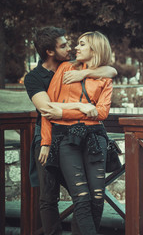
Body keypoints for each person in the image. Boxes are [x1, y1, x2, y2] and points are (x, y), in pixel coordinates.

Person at [24, 26, 117, 235]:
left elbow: (109, 76)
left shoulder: (75, 67)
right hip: (51, 136)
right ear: (50, 51)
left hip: (88, 137)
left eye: (77, 44)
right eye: (64, 46)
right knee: (49, 195)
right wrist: (81, 108)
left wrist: (85, 73)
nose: (71, 48)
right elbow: (48, 110)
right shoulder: (38, 77)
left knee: (92, 196)